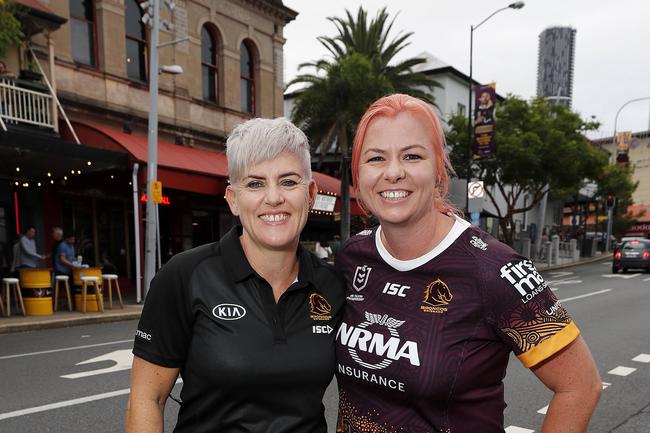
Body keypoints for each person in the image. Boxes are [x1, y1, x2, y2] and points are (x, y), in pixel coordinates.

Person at [335, 94, 602, 433]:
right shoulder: (351, 257)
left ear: (437, 171)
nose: (393, 172)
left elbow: (580, 386)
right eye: (376, 158)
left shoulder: (495, 268)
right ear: (358, 173)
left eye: (412, 156)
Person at [125, 117, 345, 433]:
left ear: (310, 194)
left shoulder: (332, 285)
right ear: (233, 199)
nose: (273, 198)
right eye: (255, 183)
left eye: (288, 181)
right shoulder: (185, 276)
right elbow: (147, 399)